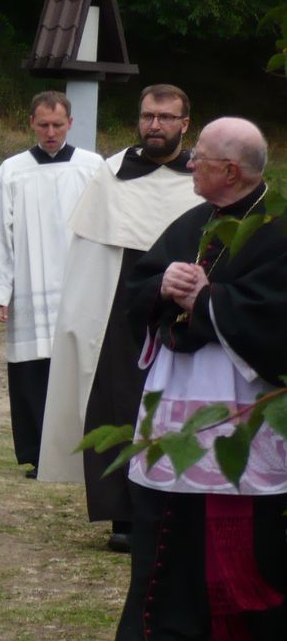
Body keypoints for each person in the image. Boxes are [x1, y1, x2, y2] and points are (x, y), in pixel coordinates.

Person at [116, 117, 287, 639]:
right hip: (173, 408)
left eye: (201, 157)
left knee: (228, 552)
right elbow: (138, 286)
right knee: (163, 540)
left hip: (239, 416)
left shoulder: (277, 230)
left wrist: (208, 301)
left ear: (231, 170)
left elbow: (276, 318)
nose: (189, 162)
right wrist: (163, 285)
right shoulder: (192, 222)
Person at [38, 85, 199, 552]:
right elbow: (89, 252)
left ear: (184, 124)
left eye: (166, 117)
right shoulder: (113, 172)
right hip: (120, 301)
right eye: (148, 115)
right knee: (117, 400)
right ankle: (122, 515)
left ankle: (176, 508)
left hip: (181, 305)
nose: (155, 125)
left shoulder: (199, 174)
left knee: (178, 402)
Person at [0, 92, 102, 478]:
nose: (50, 132)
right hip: (29, 281)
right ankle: (38, 454)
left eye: (57, 125)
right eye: (43, 125)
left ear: (70, 124)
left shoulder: (92, 167)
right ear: (31, 123)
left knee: (77, 368)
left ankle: (80, 452)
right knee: (32, 369)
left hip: (78, 282)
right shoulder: (12, 170)